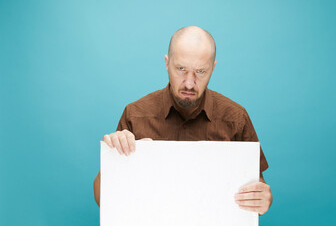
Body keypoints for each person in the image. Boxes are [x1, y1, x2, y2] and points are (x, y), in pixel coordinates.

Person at [93, 26, 273, 215]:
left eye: (201, 71)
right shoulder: (135, 115)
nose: (189, 82)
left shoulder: (236, 119)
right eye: (180, 69)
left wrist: (264, 199)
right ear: (166, 63)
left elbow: (257, 185)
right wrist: (112, 160)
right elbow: (103, 199)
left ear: (213, 68)